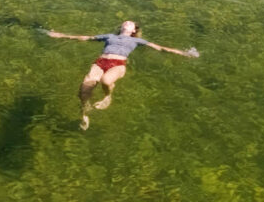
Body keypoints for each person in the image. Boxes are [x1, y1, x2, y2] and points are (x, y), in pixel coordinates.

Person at [46, 20, 198, 130]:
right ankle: (84, 115)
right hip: (100, 62)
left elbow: (160, 48)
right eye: (126, 22)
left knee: (106, 81)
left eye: (131, 23)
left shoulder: (137, 40)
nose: (127, 23)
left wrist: (184, 53)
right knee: (84, 88)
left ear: (133, 30)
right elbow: (86, 37)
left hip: (118, 65)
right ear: (121, 27)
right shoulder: (109, 36)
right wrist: (59, 35)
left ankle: (107, 96)